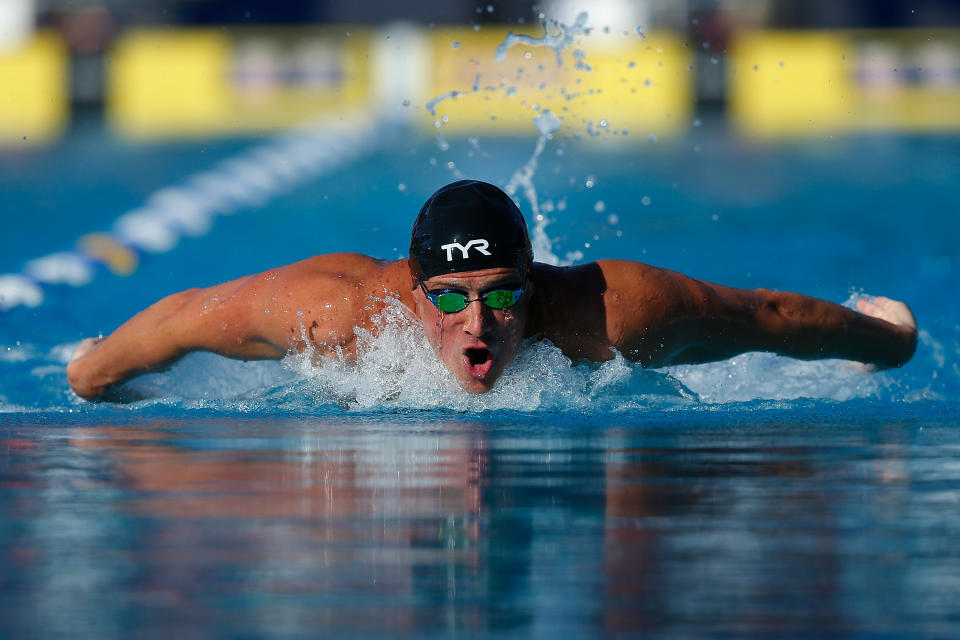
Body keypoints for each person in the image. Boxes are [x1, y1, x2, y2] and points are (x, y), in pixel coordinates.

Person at [67, 180, 918, 401]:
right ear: (414, 289)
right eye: (449, 298)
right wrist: (95, 374)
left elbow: (763, 315)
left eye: (502, 295)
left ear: (532, 280)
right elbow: (185, 317)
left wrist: (887, 341)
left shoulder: (611, 313)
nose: (478, 324)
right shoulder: (342, 315)